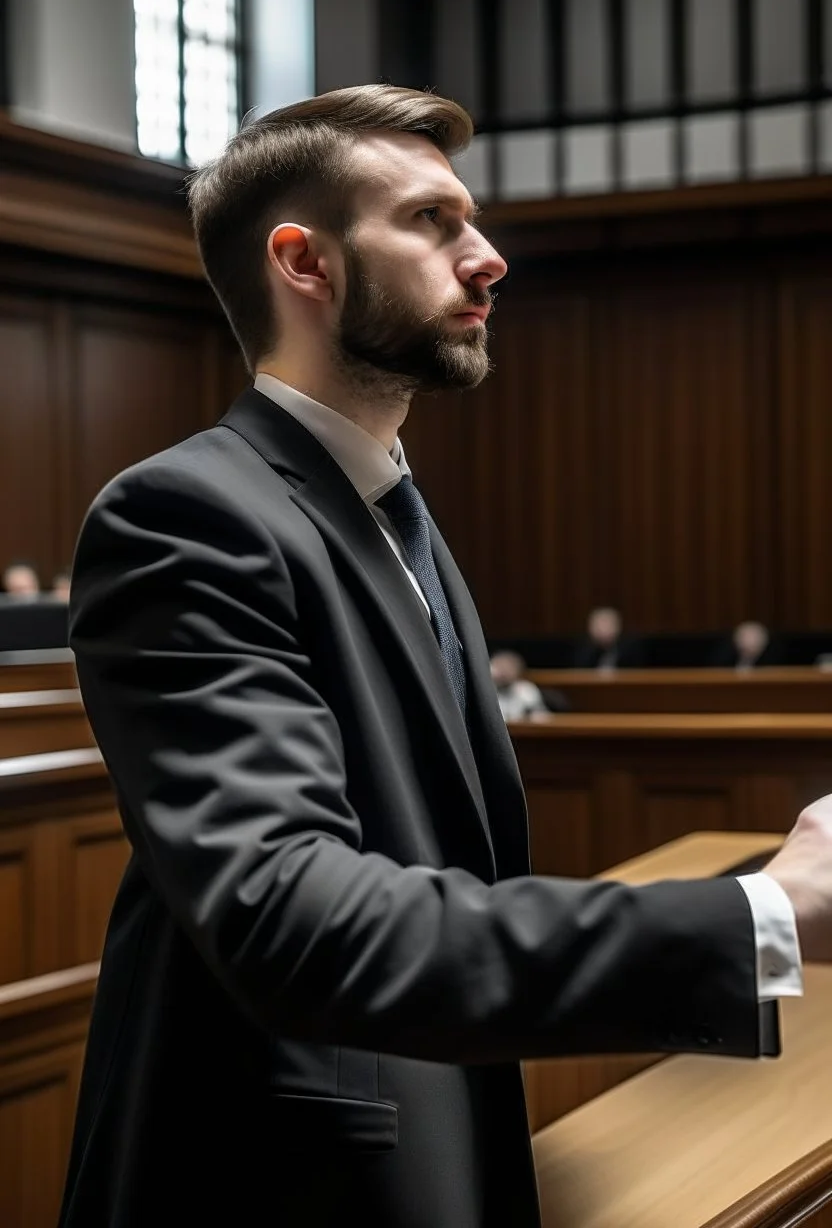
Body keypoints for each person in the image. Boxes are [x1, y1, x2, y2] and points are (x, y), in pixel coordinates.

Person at [58, 86, 832, 1228]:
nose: (489, 258)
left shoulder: (387, 506)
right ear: (304, 262)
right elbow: (292, 915)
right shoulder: (185, 512)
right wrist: (766, 913)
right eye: (431, 221)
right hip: (279, 1181)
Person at [489, 649, 554, 721]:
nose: (503, 672)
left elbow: (542, 717)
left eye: (508, 667)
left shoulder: (526, 689)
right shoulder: (485, 690)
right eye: (499, 666)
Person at [572, 606, 645, 670]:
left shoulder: (631, 650)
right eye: (599, 626)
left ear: (618, 626)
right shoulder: (583, 651)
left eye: (607, 624)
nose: (603, 630)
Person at [711, 620, 776, 670]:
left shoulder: (771, 662)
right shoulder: (725, 658)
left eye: (752, 638)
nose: (747, 642)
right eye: (744, 637)